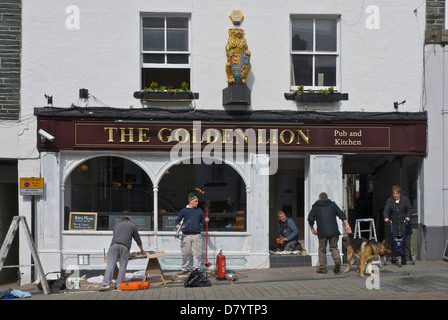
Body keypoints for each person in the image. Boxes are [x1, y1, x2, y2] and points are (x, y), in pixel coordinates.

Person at [308, 192, 352, 274]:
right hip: (334, 231)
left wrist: (312, 228)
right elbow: (342, 214)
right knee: (333, 247)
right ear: (327, 198)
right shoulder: (332, 205)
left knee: (322, 249)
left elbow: (310, 218)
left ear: (319, 198)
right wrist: (347, 225)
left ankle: (323, 268)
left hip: (322, 231)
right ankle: (337, 259)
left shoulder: (316, 206)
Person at [100, 217, 146, 291]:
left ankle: (105, 285)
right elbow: (137, 238)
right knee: (122, 266)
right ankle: (120, 285)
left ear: (122, 221)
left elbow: (117, 236)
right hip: (125, 247)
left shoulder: (116, 226)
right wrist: (142, 250)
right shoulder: (132, 226)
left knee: (110, 265)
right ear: (129, 221)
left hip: (113, 246)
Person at [175, 192, 209, 274]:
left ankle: (196, 269)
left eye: (197, 201)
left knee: (197, 253)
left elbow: (203, 222)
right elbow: (177, 221)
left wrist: (206, 221)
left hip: (197, 235)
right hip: (186, 235)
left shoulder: (199, 211)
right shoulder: (184, 211)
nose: (197, 203)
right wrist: (178, 226)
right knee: (185, 253)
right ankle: (184, 269)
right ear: (190, 201)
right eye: (196, 201)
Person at [383, 185, 412, 264]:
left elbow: (409, 209)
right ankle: (393, 256)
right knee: (394, 240)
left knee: (403, 240)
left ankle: (403, 257)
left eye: (397, 193)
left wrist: (408, 217)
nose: (395, 195)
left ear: (400, 193)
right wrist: (386, 218)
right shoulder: (390, 201)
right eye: (394, 194)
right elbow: (386, 210)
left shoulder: (405, 199)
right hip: (394, 222)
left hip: (403, 222)